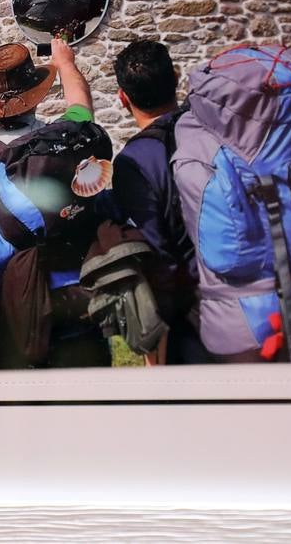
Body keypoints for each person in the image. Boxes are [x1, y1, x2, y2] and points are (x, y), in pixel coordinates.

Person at [0, 37, 106, 369]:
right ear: (35, 96)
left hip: (14, 320)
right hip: (77, 306)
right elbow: (82, 104)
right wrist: (65, 62)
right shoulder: (66, 140)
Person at [111, 38, 210, 365]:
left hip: (194, 316)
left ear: (123, 98)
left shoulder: (134, 161)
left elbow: (155, 257)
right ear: (177, 78)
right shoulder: (213, 131)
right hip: (248, 294)